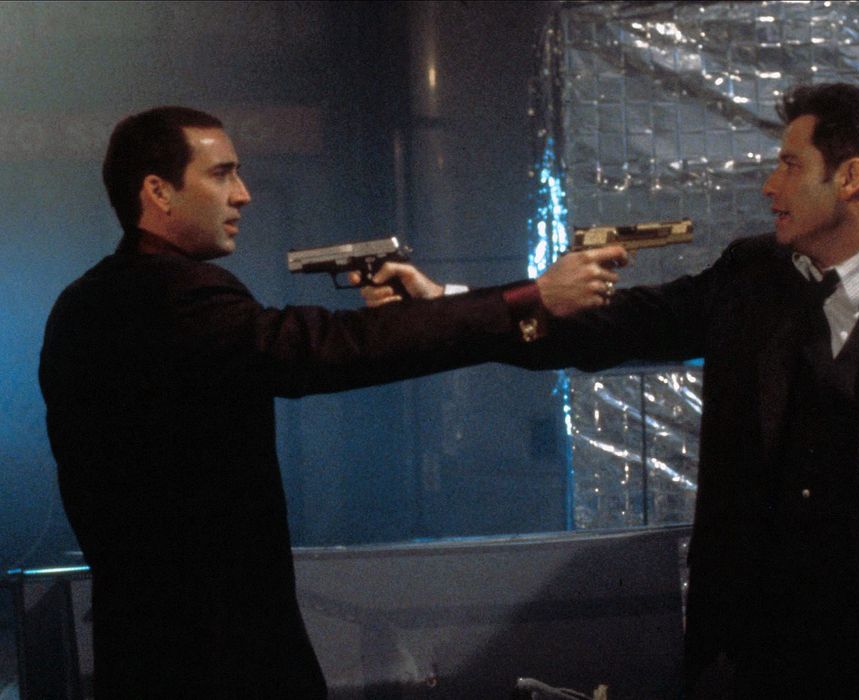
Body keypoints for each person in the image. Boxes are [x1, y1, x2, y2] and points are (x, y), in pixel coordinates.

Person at [364, 82, 859, 697]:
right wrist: (449, 304)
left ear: (850, 178)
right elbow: (615, 328)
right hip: (759, 661)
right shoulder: (752, 276)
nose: (769, 185)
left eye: (789, 165)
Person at [38, 106, 626, 698]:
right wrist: (528, 299)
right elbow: (323, 349)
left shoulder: (85, 302)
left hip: (153, 643)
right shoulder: (171, 295)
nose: (242, 194)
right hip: (213, 653)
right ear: (158, 191)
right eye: (221, 174)